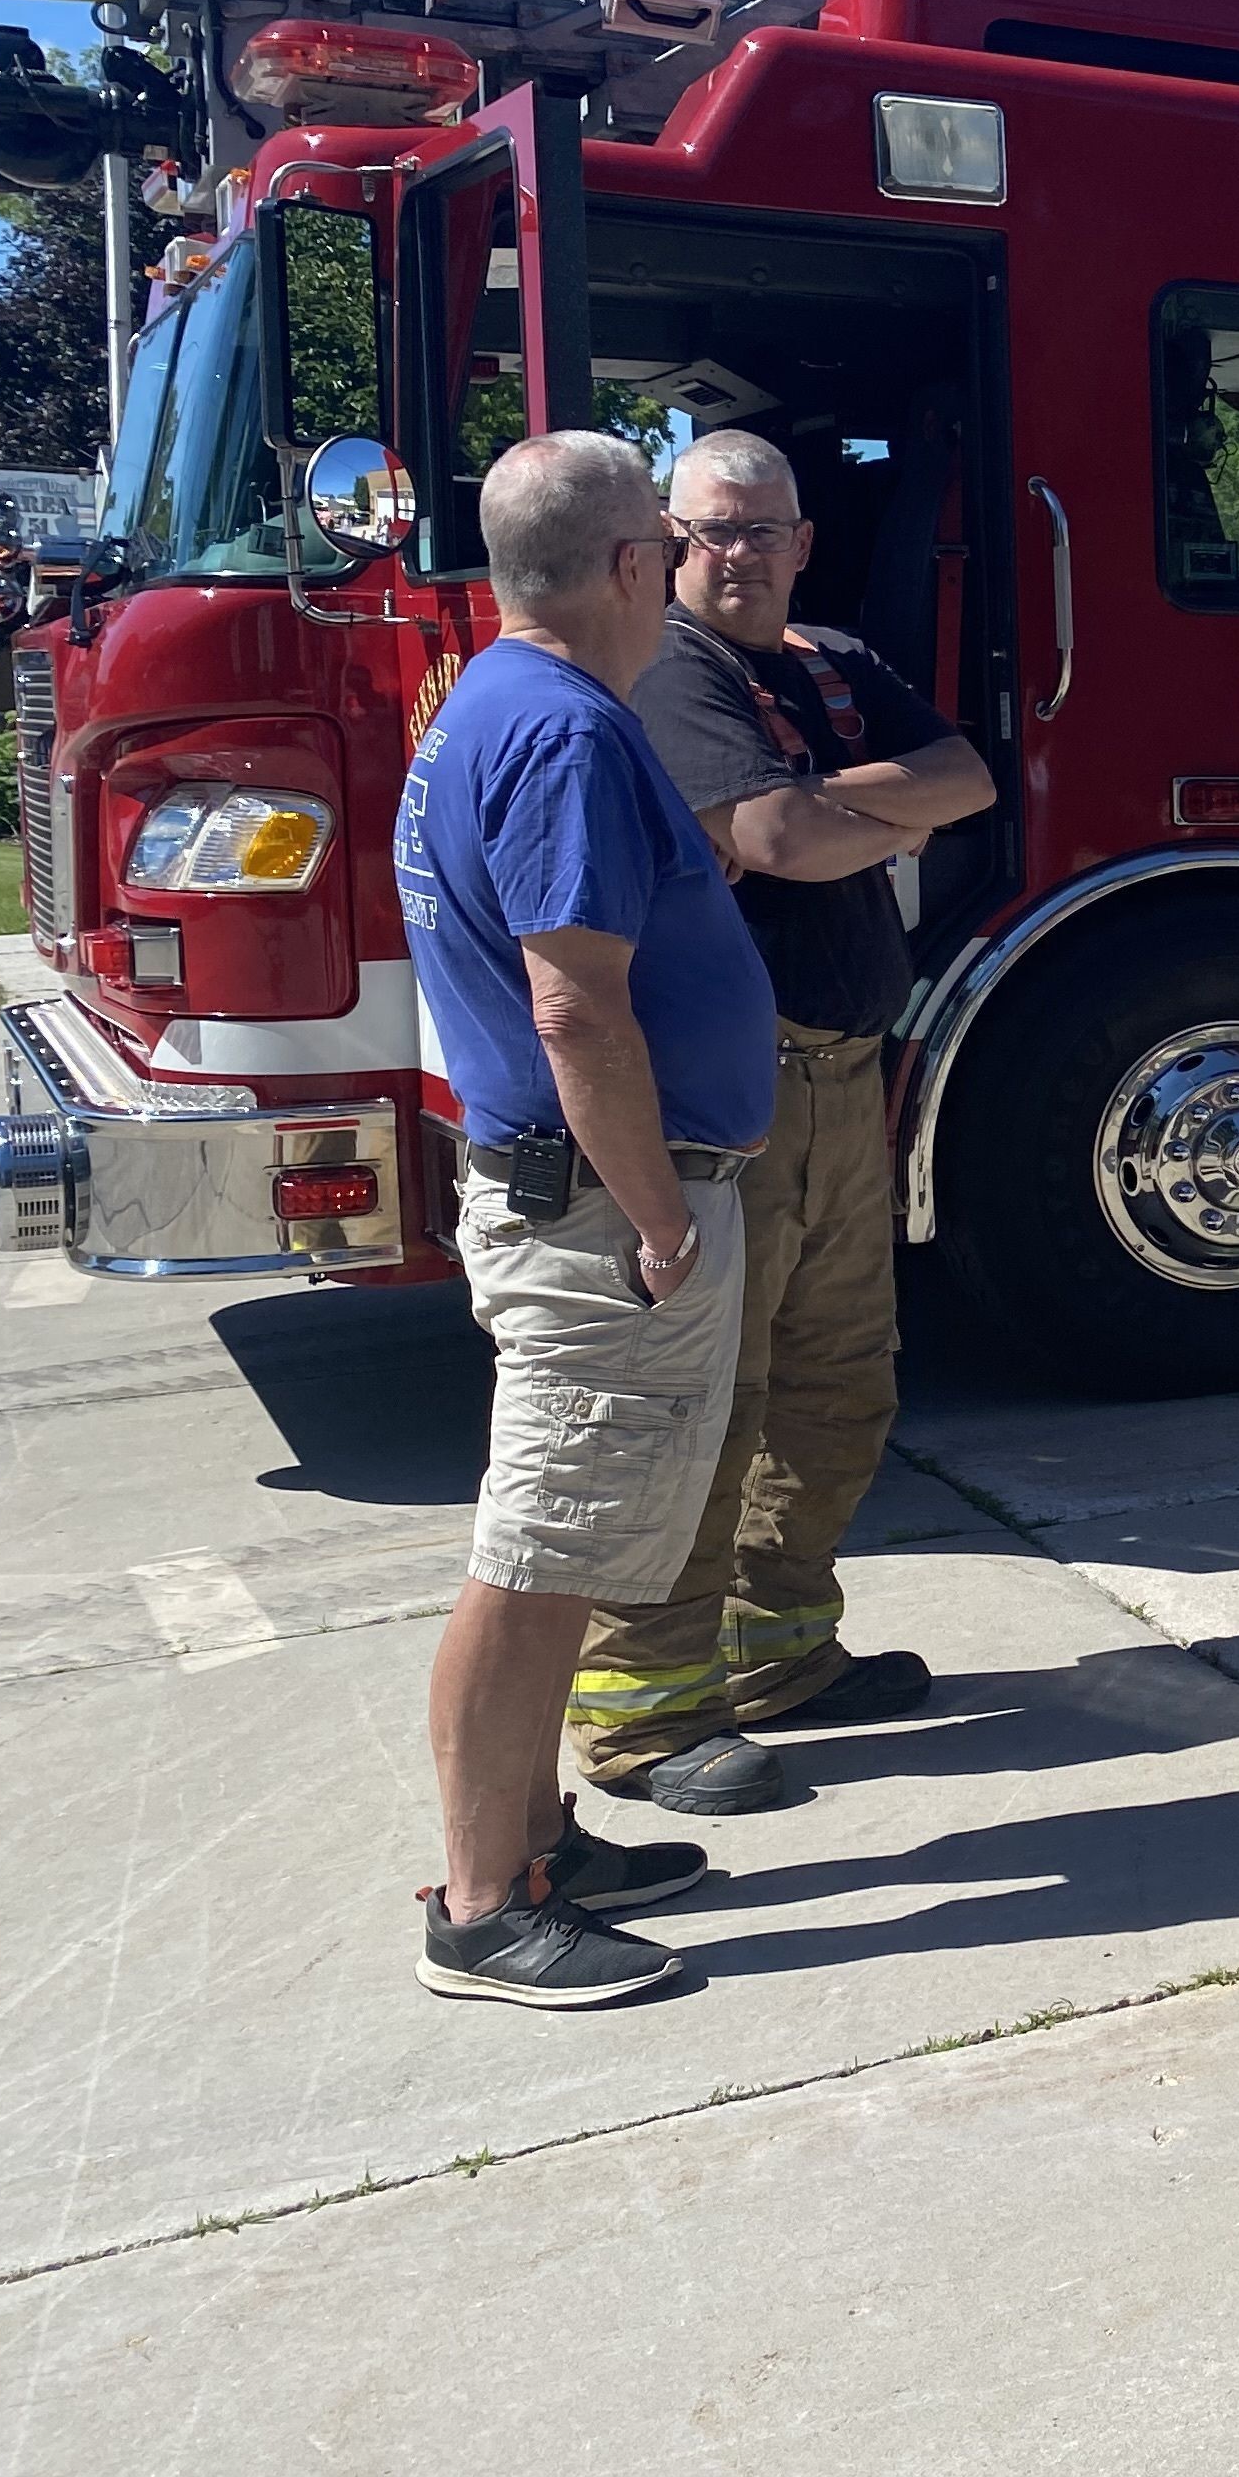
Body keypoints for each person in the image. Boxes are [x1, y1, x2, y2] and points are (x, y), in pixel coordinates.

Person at [393, 432, 778, 2007]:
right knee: (540, 1551)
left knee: (557, 1535)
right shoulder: (562, 734)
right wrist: (659, 1224)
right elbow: (576, 1009)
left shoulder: (488, 700)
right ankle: (485, 1908)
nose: (687, 577)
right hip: (597, 1215)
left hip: (566, 1196)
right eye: (673, 551)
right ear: (633, 564)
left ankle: (539, 1836)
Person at [577, 432, 995, 1813]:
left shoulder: (827, 659)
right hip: (733, 1102)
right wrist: (861, 816)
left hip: (839, 1085)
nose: (736, 554)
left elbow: (973, 775)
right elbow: (784, 843)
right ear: (660, 541)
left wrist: (829, 809)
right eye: (708, 530)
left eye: (762, 530)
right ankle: (646, 1712)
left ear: (805, 540)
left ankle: (780, 1653)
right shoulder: (670, 671)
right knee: (707, 1406)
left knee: (838, 1388)